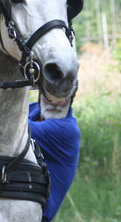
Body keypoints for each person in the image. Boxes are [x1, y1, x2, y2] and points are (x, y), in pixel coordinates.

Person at [29, 85, 81, 222]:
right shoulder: (35, 110)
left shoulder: (65, 131)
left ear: (72, 98)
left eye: (62, 98)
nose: (54, 103)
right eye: (48, 97)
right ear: (39, 95)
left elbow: (11, 124)